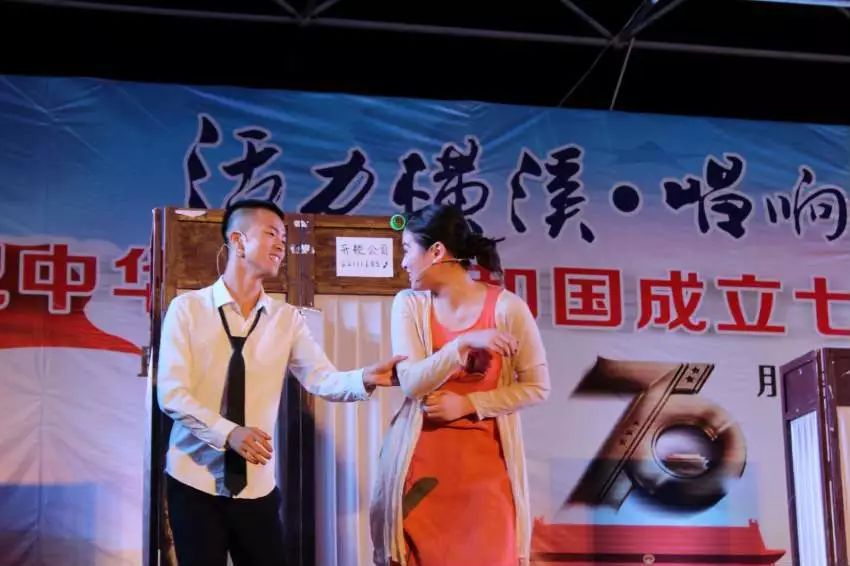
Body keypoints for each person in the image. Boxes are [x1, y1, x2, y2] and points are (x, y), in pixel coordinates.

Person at [157, 198, 403, 566]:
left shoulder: (286, 319)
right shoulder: (187, 309)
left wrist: (365, 377)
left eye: (284, 239)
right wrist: (229, 433)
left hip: (256, 486)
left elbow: (321, 378)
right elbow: (172, 393)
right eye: (271, 234)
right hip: (193, 480)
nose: (280, 246)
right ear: (238, 241)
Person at [370, 204, 550, 566]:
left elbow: (537, 386)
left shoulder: (508, 308)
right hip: (421, 472)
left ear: (436, 251)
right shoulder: (409, 304)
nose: (403, 263)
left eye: (407, 250)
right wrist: (460, 346)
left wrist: (469, 404)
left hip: (486, 477)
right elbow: (412, 382)